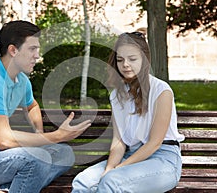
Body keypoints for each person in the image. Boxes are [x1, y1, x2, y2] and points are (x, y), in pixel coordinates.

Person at [0, 20, 91, 193]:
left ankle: (5, 190)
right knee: (36, 160)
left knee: (65, 154)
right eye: (32, 49)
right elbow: (4, 140)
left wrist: (39, 133)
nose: (37, 55)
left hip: (0, 156)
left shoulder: (21, 80)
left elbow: (32, 106)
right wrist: (56, 136)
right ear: (13, 50)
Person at [72, 32, 185, 193]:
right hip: (131, 156)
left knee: (112, 181)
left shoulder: (162, 91)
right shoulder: (116, 95)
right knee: (83, 182)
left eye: (132, 59)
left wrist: (118, 169)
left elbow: (155, 143)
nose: (125, 64)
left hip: (163, 160)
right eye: (120, 60)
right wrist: (109, 168)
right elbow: (119, 141)